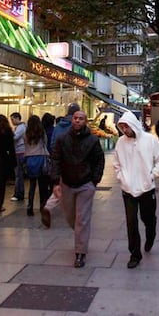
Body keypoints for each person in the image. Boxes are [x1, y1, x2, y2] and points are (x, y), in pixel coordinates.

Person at [49, 109, 105, 268]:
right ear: (72, 120)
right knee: (70, 216)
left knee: (82, 218)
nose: (78, 121)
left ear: (85, 121)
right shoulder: (62, 139)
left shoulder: (93, 140)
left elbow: (99, 160)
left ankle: (80, 253)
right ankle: (81, 234)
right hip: (67, 182)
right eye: (75, 118)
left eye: (81, 118)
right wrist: (55, 181)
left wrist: (95, 180)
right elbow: (56, 159)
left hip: (86, 184)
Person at [112, 110, 159, 268]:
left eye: (126, 126)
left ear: (133, 125)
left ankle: (151, 235)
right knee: (131, 222)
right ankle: (135, 255)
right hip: (127, 190)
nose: (125, 130)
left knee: (148, 218)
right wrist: (122, 179)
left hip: (146, 189)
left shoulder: (150, 140)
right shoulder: (120, 142)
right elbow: (116, 164)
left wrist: (152, 175)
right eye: (122, 127)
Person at [41, 102, 80, 228]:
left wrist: (56, 159)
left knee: (62, 186)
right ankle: (75, 215)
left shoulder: (58, 126)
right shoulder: (77, 126)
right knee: (76, 188)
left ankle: (48, 206)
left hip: (60, 162)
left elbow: (52, 144)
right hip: (74, 163)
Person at [23, 115, 51, 216]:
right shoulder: (41, 132)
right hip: (41, 158)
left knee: (32, 184)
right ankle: (42, 206)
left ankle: (29, 206)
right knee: (42, 185)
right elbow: (46, 143)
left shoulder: (26, 134)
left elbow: (25, 145)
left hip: (30, 159)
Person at [10, 112, 26, 201]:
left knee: (18, 174)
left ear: (17, 118)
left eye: (12, 119)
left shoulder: (21, 128)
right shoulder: (21, 127)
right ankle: (19, 192)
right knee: (19, 174)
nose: (11, 121)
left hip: (20, 152)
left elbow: (15, 138)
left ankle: (18, 193)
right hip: (20, 152)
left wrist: (10, 133)